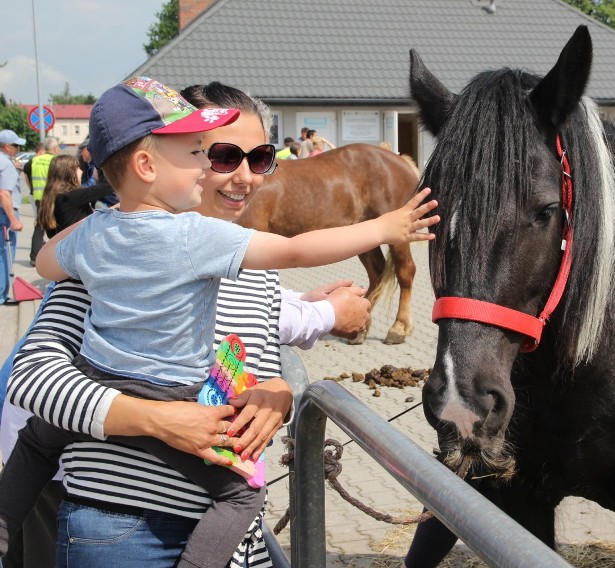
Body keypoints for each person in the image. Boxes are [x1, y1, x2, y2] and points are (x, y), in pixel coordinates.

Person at [2, 77, 434, 568]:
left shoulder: (245, 266)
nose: (246, 177)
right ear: (165, 161)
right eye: (221, 156)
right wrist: (159, 420)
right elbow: (31, 379)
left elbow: (249, 357)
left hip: (233, 542)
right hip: (127, 525)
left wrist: (279, 394)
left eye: (261, 159)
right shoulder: (115, 256)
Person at [37, 154, 117, 238]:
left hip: (64, 246)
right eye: (78, 168)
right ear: (70, 173)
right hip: (77, 245)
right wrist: (101, 164)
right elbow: (108, 186)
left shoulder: (54, 196)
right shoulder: (71, 195)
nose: (81, 171)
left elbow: (51, 234)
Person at [0, 129, 25, 306]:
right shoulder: (6, 165)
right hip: (5, 213)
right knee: (4, 254)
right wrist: (14, 220)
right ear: (7, 147)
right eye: (15, 146)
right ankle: (1, 295)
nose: (17, 149)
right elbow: (4, 194)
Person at [28, 137, 59, 265]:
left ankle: (34, 256)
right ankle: (56, 256)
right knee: (57, 226)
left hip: (38, 198)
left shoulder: (34, 160)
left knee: (39, 227)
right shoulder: (55, 160)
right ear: (55, 148)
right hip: (51, 198)